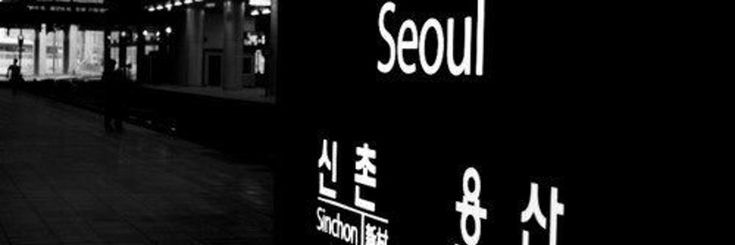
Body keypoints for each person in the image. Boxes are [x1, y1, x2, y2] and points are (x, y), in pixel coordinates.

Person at [103, 60, 129, 133]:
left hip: (110, 97)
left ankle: (110, 126)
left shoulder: (107, 74)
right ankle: (116, 125)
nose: (113, 66)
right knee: (116, 112)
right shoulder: (110, 74)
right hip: (113, 96)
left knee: (110, 112)